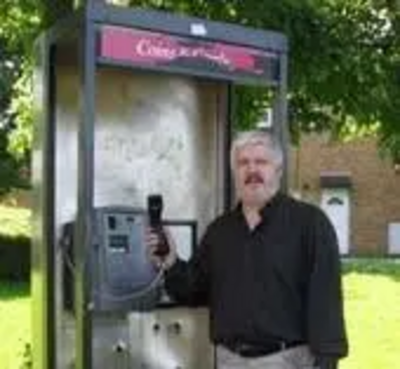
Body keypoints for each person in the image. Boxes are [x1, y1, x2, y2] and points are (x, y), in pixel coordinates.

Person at [147, 130, 348, 369]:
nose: (252, 170)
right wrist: (170, 262)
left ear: (278, 170)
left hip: (288, 360)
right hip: (229, 360)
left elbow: (326, 302)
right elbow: (194, 290)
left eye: (261, 162)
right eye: (243, 163)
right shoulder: (220, 231)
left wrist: (327, 361)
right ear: (235, 173)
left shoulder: (310, 224)